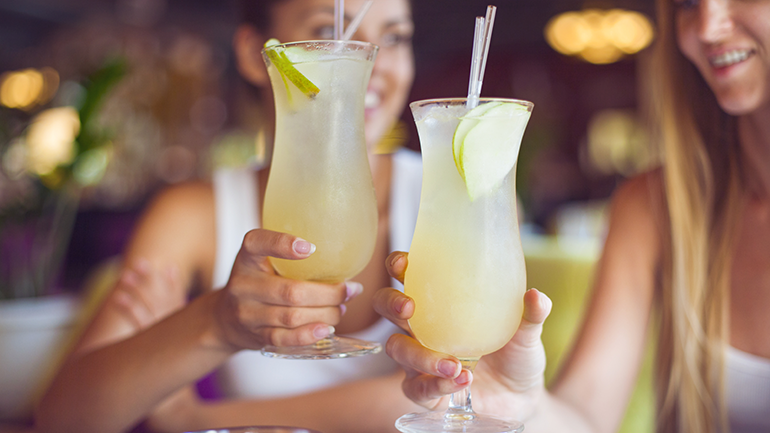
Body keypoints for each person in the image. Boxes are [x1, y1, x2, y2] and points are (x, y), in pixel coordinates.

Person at [374, 0, 770, 432]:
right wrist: (518, 402)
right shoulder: (658, 206)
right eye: (688, 4)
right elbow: (587, 418)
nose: (707, 27)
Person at [35, 1, 427, 432]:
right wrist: (213, 323)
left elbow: (474, 401)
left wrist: (193, 417)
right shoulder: (191, 215)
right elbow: (62, 419)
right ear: (255, 54)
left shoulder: (444, 201)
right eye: (327, 30)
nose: (368, 58)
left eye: (394, 37)